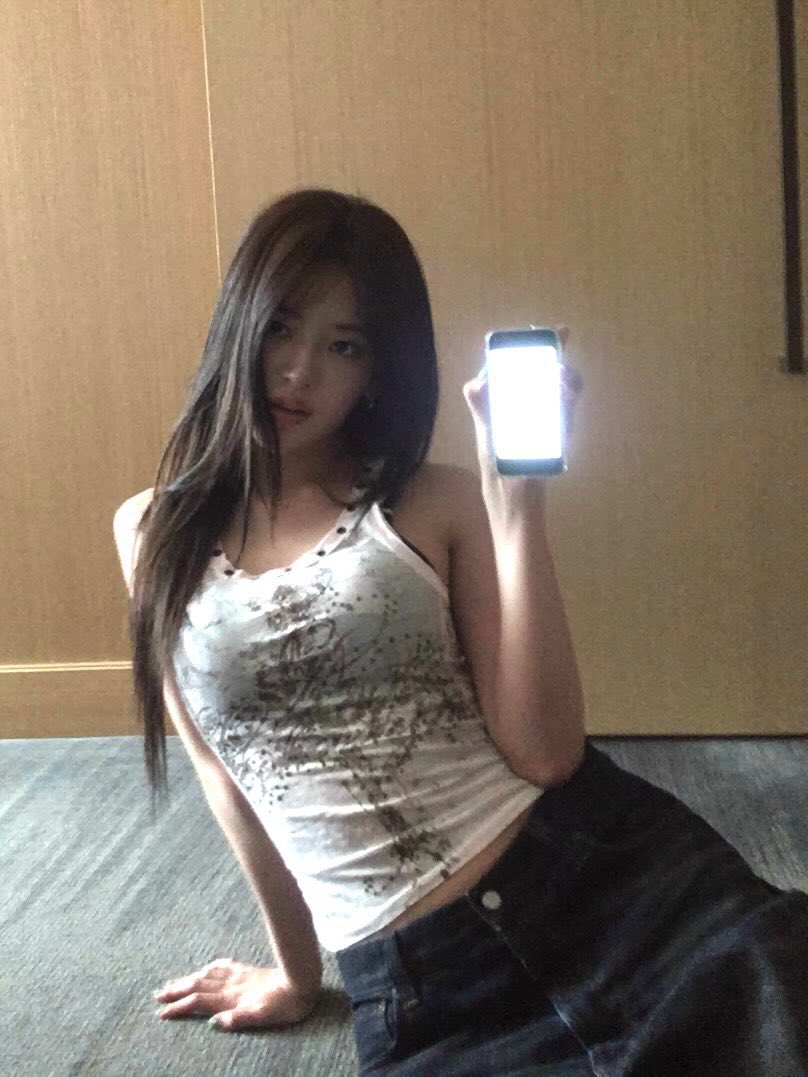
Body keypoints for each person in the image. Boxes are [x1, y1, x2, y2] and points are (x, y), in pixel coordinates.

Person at [113, 187, 808, 1075]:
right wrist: (295, 973)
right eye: (281, 327)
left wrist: (517, 509)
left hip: (602, 880)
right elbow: (225, 770)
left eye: (345, 345)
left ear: (378, 369)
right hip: (422, 987)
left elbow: (545, 753)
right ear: (239, 321)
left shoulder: (433, 500)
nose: (299, 372)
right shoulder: (150, 532)